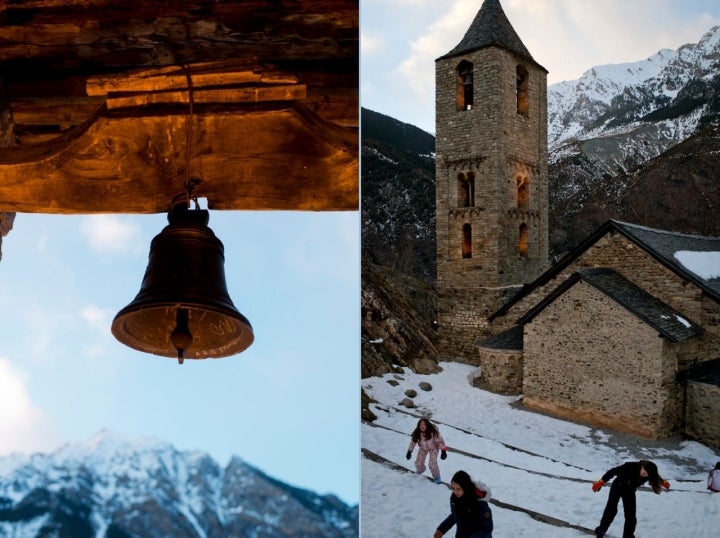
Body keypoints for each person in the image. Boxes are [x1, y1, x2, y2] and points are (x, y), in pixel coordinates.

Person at [591, 460, 670, 538]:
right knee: (611, 509)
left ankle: (628, 536)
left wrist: (663, 482)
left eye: (646, 474)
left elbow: (656, 477)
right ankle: (601, 530)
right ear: (642, 466)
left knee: (631, 515)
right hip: (617, 486)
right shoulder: (630, 466)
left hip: (629, 491)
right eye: (644, 471)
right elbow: (612, 471)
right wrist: (601, 482)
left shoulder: (650, 474)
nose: (644, 474)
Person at [433, 470, 493, 538]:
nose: (455, 492)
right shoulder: (455, 500)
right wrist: (441, 530)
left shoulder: (479, 503)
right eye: (453, 488)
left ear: (465, 487)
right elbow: (454, 516)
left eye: (458, 489)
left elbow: (486, 529)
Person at [406, 417, 447, 484]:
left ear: (427, 425)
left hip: (433, 447)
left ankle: (437, 477)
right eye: (420, 425)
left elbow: (439, 442)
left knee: (432, 464)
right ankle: (420, 470)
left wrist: (443, 451)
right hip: (423, 447)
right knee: (418, 463)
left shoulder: (433, 433)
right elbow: (413, 442)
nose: (422, 426)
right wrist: (409, 452)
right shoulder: (418, 433)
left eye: (424, 424)